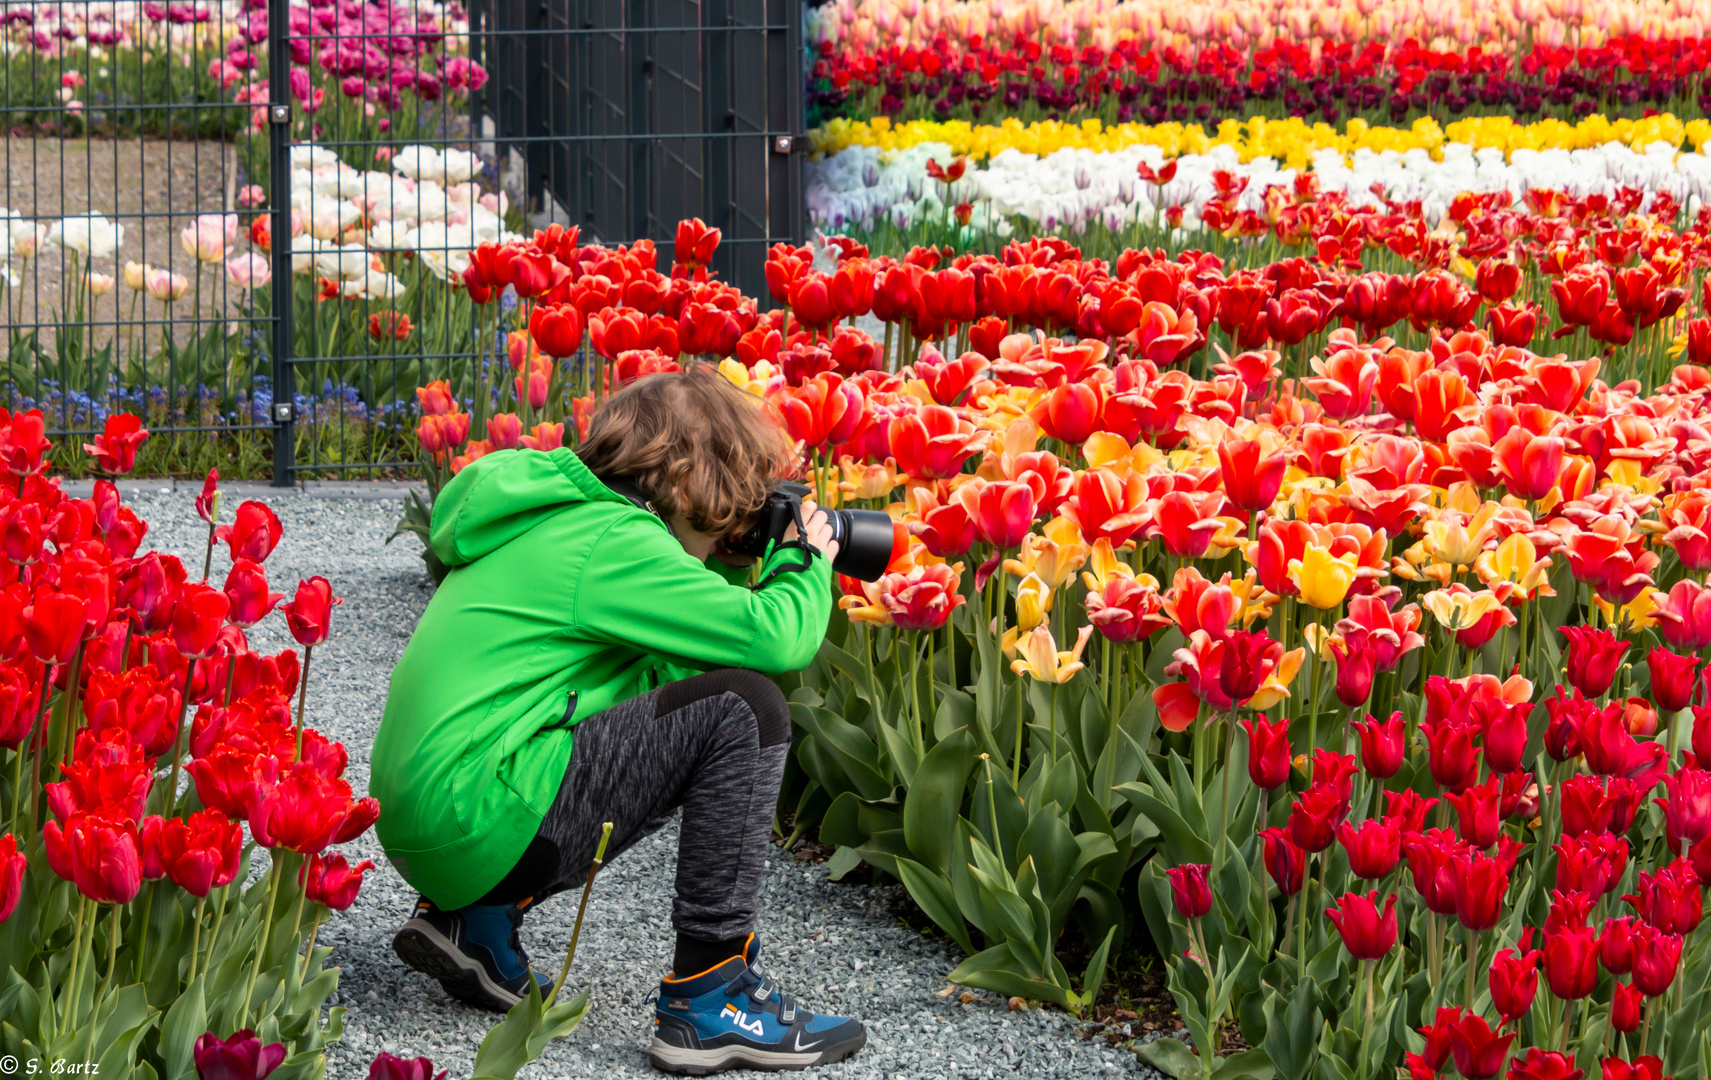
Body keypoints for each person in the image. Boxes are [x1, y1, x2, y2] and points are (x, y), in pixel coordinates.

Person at [371, 368, 867, 1073]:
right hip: (476, 818)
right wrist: (803, 557)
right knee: (742, 708)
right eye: (740, 483)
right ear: (691, 478)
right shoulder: (615, 542)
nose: (745, 506)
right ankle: (709, 994)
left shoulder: (557, 518)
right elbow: (776, 641)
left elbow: (672, 673)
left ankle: (472, 922)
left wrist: (726, 560)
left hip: (435, 825)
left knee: (676, 694)